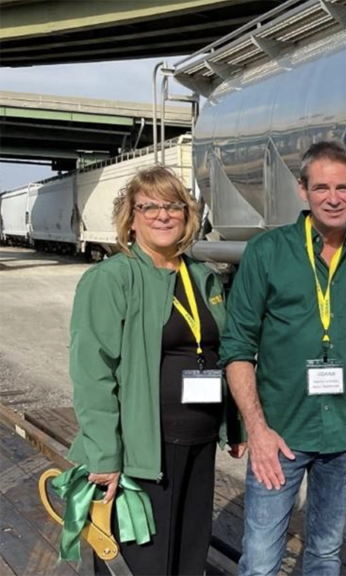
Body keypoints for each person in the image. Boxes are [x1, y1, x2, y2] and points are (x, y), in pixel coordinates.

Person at [220, 141, 346, 576]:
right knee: (260, 559)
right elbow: (238, 347)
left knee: (324, 552)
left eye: (342, 187)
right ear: (302, 191)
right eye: (321, 187)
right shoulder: (267, 252)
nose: (332, 197)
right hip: (279, 436)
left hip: (345, 437)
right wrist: (256, 429)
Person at [68, 166, 245, 575]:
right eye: (149, 207)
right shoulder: (112, 278)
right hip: (142, 452)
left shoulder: (201, 277)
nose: (163, 215)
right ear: (131, 218)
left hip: (198, 444)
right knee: (142, 563)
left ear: (187, 215)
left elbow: (221, 351)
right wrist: (105, 455)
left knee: (188, 557)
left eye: (173, 206)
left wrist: (234, 426)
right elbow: (92, 373)